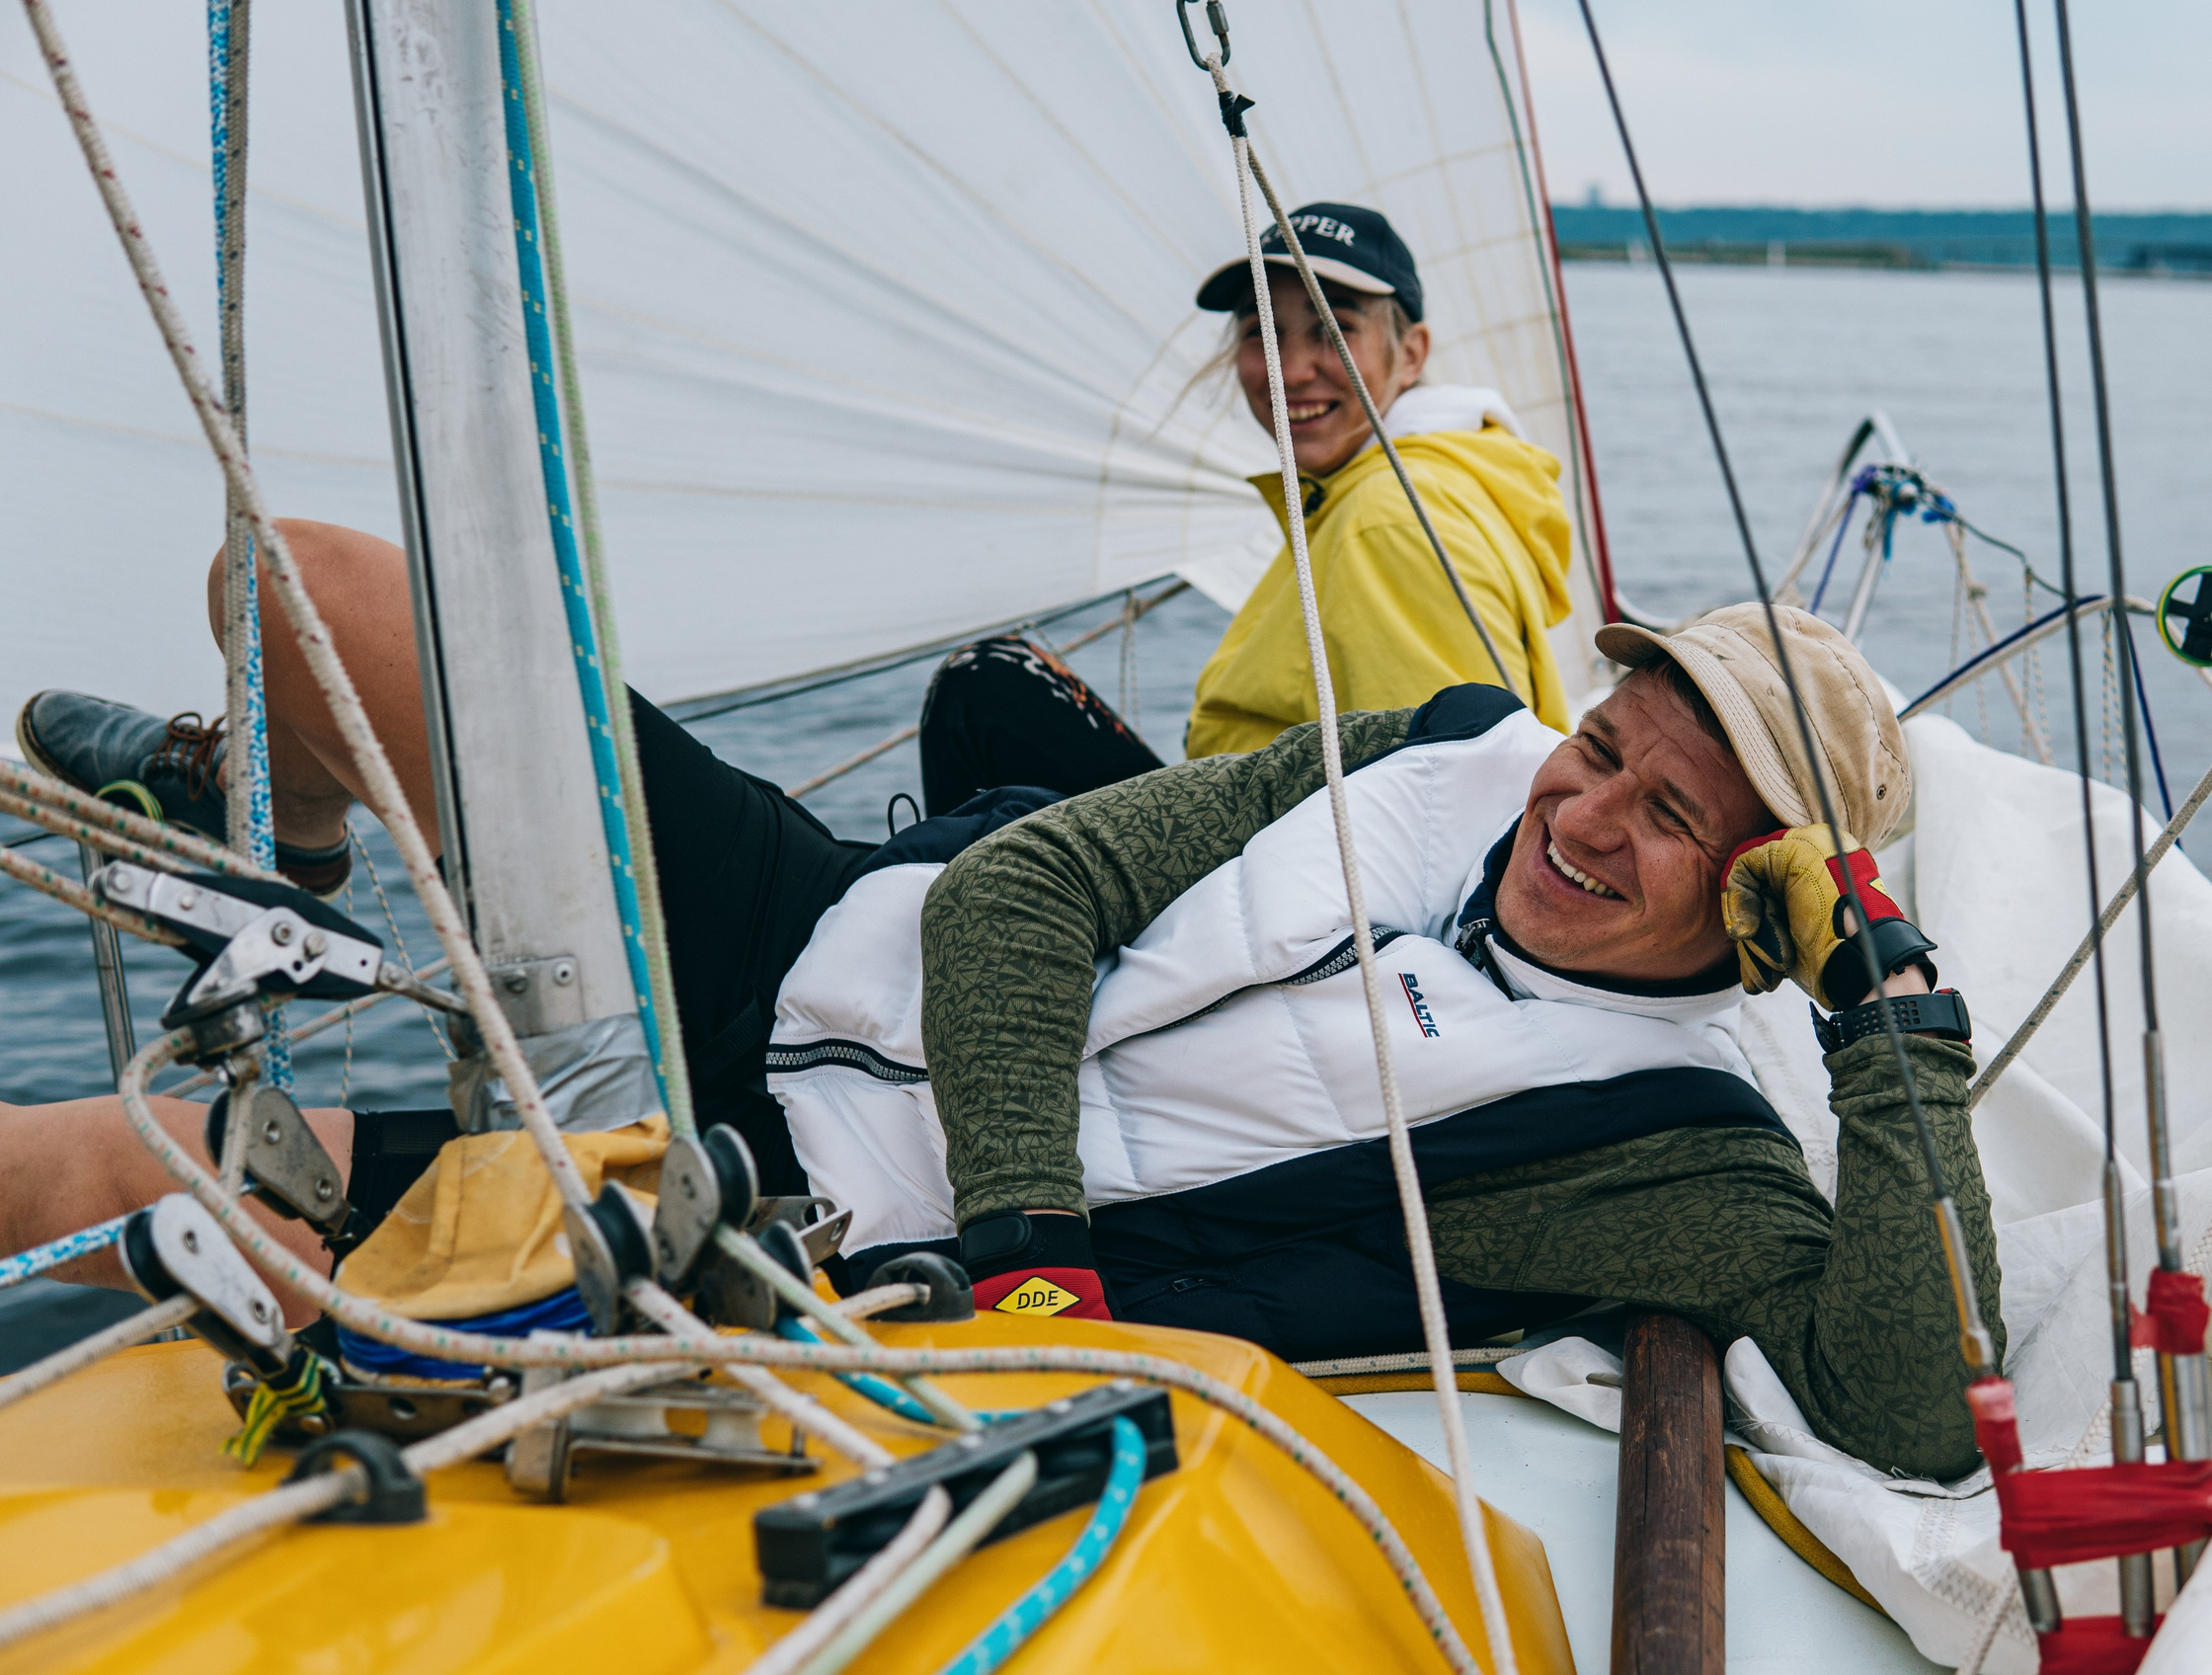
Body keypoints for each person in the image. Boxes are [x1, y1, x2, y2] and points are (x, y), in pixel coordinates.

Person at [8, 522, 2002, 1477]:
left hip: (801, 1207)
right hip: (818, 922)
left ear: (1759, 908)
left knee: (113, 1172)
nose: (1584, 812)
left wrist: (1886, 1014)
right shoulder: (1443, 756)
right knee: (307, 585)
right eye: (1603, 746)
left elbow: (1913, 1408)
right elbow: (1028, 888)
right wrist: (1038, 1236)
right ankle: (303, 850)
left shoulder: (1670, 1152)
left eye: (1671, 819)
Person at [914, 202, 1577, 815]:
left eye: (1332, 331)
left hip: (1273, 888)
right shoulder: (1391, 488)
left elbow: (1447, 797)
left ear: (1410, 354)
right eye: (1263, 333)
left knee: (988, 691)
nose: (1290, 371)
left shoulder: (1386, 520)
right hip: (1259, 846)